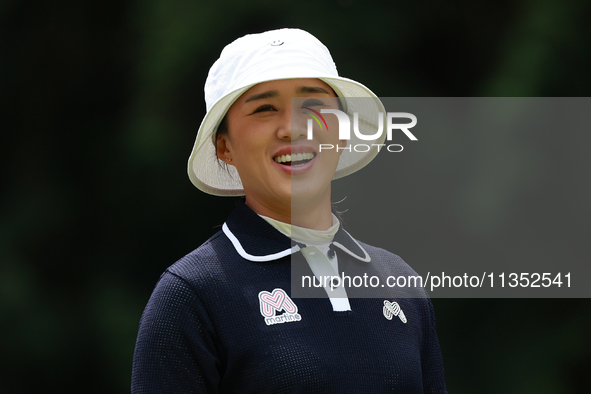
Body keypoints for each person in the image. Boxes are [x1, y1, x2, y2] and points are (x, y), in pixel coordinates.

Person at [132, 28, 447, 393]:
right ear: (224, 147)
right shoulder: (191, 296)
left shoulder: (401, 284)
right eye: (265, 108)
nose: (293, 128)